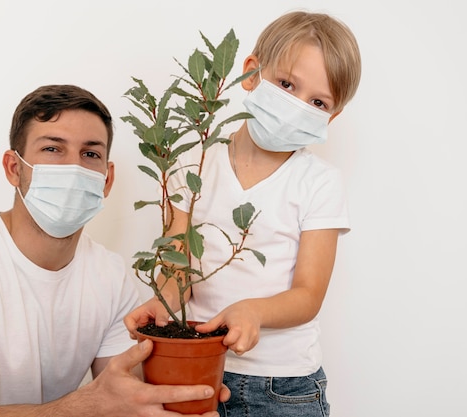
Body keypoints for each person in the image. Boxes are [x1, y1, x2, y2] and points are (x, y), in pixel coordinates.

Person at [0, 84, 228, 417]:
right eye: (53, 149)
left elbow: (128, 397)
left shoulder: (110, 276)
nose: (74, 167)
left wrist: (183, 390)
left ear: (106, 180)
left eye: (90, 154)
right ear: (14, 168)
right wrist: (92, 405)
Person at [125, 11, 362, 417]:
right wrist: (161, 303)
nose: (295, 105)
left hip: (285, 387)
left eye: (317, 102)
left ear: (330, 117)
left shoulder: (319, 182)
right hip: (194, 367)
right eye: (286, 84)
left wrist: (254, 310)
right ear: (251, 73)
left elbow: (309, 294)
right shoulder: (193, 165)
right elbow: (176, 267)